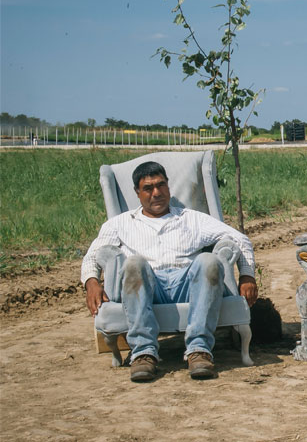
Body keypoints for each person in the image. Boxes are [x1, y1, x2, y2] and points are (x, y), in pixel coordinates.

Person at [81, 161, 257, 382]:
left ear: (168, 186)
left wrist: (247, 275)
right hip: (148, 286)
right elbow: (92, 255)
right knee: (134, 263)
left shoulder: (190, 218)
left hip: (187, 284)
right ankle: (143, 353)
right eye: (148, 188)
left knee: (208, 261)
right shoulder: (120, 224)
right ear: (137, 193)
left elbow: (240, 239)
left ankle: (199, 351)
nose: (156, 193)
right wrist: (91, 282)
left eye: (161, 185)